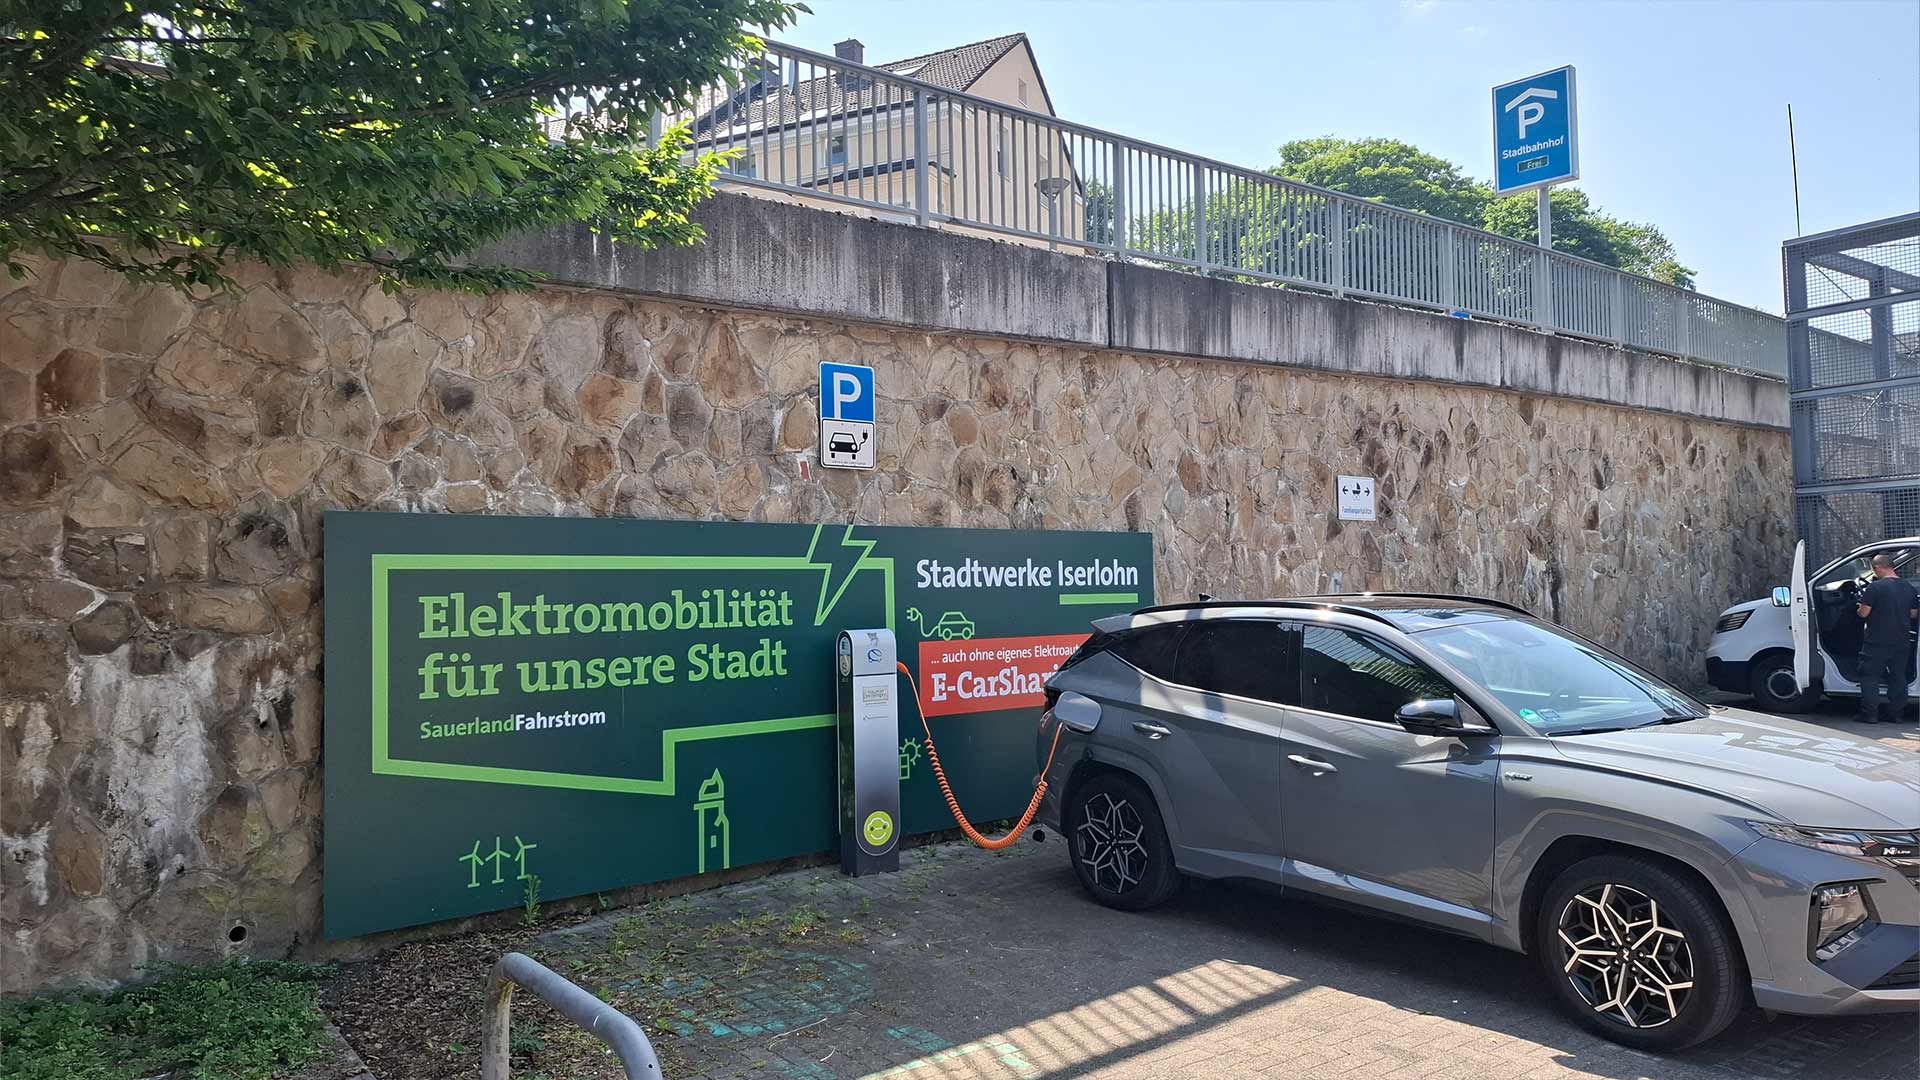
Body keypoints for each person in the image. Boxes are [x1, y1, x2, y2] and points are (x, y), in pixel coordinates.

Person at [1854, 554, 1918, 723]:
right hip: (1902, 639)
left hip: (1877, 640)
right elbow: (1913, 614)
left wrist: (1859, 607)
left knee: (1869, 676)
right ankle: (1896, 714)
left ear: (1878, 568)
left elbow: (1863, 613)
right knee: (1898, 676)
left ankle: (1870, 714)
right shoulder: (1908, 588)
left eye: (1874, 569)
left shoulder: (1875, 587)